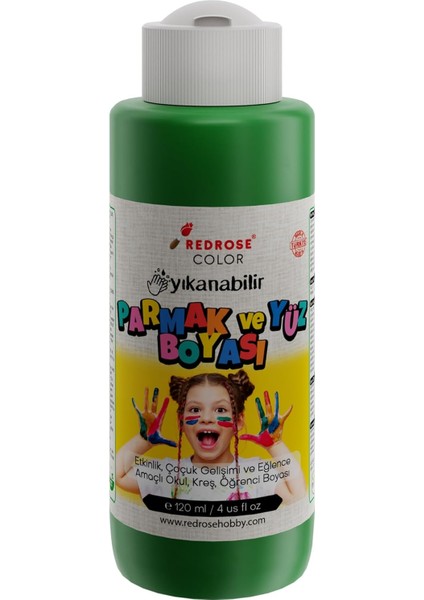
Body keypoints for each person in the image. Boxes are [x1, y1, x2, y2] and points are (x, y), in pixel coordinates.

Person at [116, 370, 306, 503]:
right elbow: (118, 476)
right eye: (195, 409)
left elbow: (297, 498)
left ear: (238, 421)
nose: (206, 418)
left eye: (220, 409)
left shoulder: (253, 472)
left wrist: (275, 445)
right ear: (181, 421)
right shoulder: (168, 472)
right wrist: (143, 439)